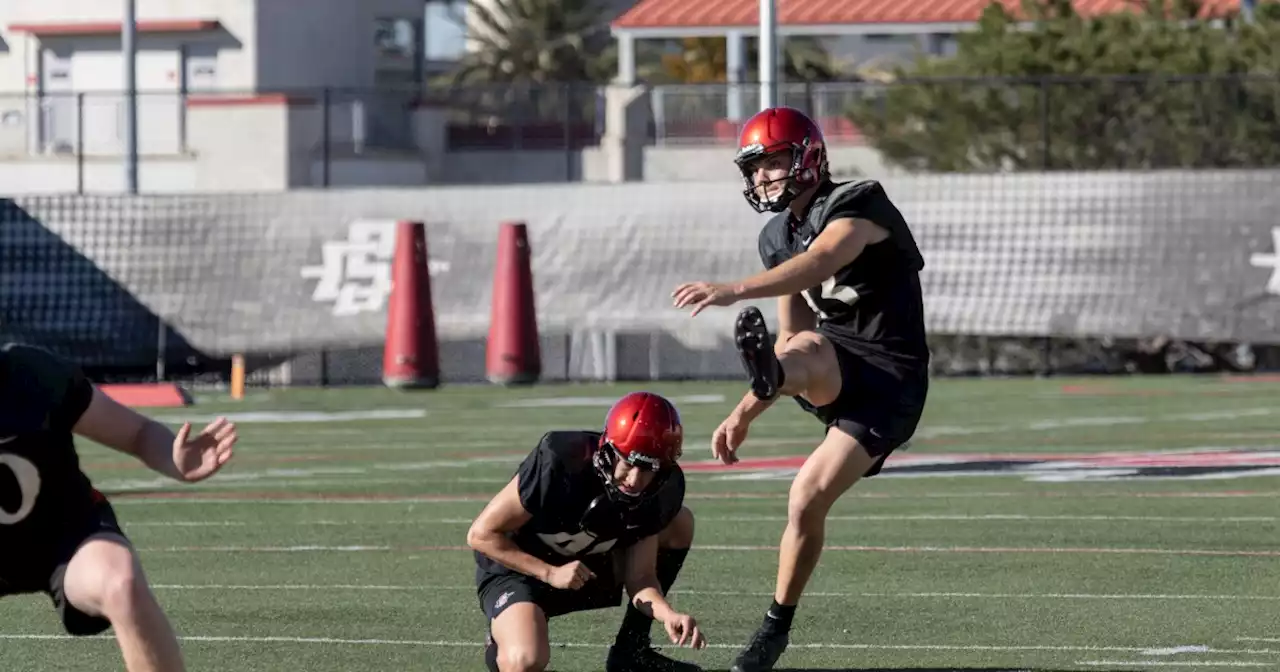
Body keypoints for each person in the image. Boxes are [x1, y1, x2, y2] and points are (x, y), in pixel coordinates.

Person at [671, 106, 931, 672]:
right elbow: (791, 333)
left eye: (776, 161)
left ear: (810, 156)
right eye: (756, 166)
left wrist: (734, 291)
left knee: (806, 496)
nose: (765, 175)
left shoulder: (859, 202)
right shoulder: (775, 236)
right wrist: (746, 412)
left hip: (892, 379)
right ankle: (766, 376)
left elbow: (822, 259)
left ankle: (773, 628)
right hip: (830, 364)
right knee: (800, 348)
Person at [0, 342, 238, 672]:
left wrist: (174, 459)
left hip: (63, 536)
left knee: (120, 582)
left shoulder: (31, 374)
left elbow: (137, 432)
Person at [467, 391, 706, 672]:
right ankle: (505, 633)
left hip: (586, 571)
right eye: (629, 463)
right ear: (608, 451)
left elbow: (640, 578)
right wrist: (549, 573)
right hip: (520, 571)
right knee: (524, 660)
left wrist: (666, 614)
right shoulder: (560, 461)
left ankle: (633, 649)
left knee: (679, 522)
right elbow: (481, 534)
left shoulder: (661, 493)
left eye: (648, 469)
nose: (635, 480)